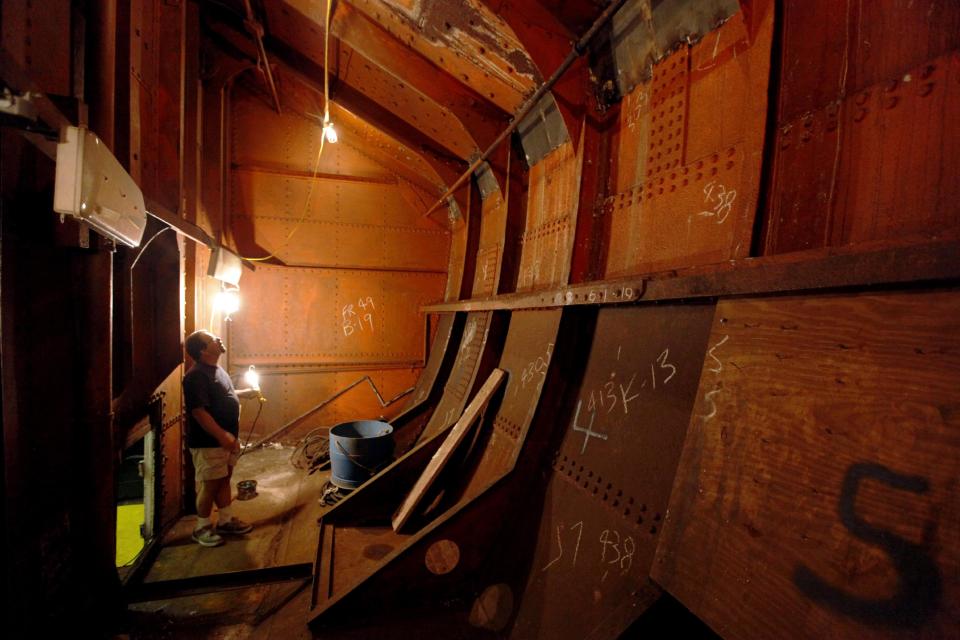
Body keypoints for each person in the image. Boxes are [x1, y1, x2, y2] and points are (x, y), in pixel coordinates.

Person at [183, 329, 261, 547]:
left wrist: (245, 392)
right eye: (211, 340)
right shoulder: (195, 376)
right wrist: (222, 436)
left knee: (224, 478)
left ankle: (225, 521)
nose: (218, 339)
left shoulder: (215, 369)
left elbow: (225, 394)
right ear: (203, 350)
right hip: (209, 443)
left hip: (224, 441)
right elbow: (199, 412)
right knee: (210, 484)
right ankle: (201, 527)